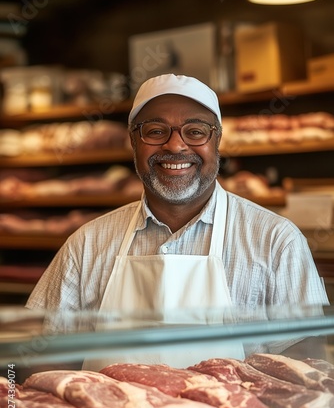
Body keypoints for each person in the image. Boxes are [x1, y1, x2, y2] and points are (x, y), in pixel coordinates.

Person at [26, 73, 329, 367]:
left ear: (217, 140)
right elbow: (37, 352)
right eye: (156, 131)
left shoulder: (276, 240)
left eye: (196, 132)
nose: (175, 145)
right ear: (134, 142)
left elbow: (306, 357)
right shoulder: (87, 243)